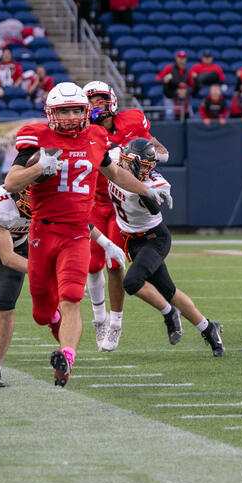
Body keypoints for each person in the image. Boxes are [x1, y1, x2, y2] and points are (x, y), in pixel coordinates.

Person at [3, 82, 170, 387]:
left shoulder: (95, 136)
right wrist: (39, 168)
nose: (70, 117)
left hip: (78, 233)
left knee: (70, 298)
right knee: (42, 312)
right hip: (42, 231)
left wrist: (146, 190)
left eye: (75, 110)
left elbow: (115, 173)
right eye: (63, 111)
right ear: (50, 113)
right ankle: (56, 328)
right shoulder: (37, 137)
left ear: (85, 111)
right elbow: (11, 183)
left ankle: (67, 357)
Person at [0, 189, 124, 388]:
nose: (31, 200)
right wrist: (44, 271)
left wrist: (106, 244)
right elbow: (7, 258)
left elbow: (78, 221)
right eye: (26, 195)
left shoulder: (47, 198)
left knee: (5, 304)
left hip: (18, 248)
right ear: (16, 193)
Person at [107, 138, 225, 356]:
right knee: (169, 291)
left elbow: (153, 207)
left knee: (132, 282)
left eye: (140, 165)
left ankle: (170, 313)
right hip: (132, 240)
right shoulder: (115, 159)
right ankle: (210, 329)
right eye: (129, 162)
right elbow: (99, 156)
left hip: (154, 239)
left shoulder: (158, 183)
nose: (131, 167)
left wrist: (144, 189)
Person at [84, 81, 168, 351]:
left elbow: (157, 148)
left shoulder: (132, 120)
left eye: (100, 99)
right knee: (92, 264)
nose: (96, 104)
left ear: (111, 100)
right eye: (91, 100)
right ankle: (99, 318)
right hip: (94, 201)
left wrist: (156, 158)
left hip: (121, 205)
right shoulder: (85, 131)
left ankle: (115, 324)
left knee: (114, 264)